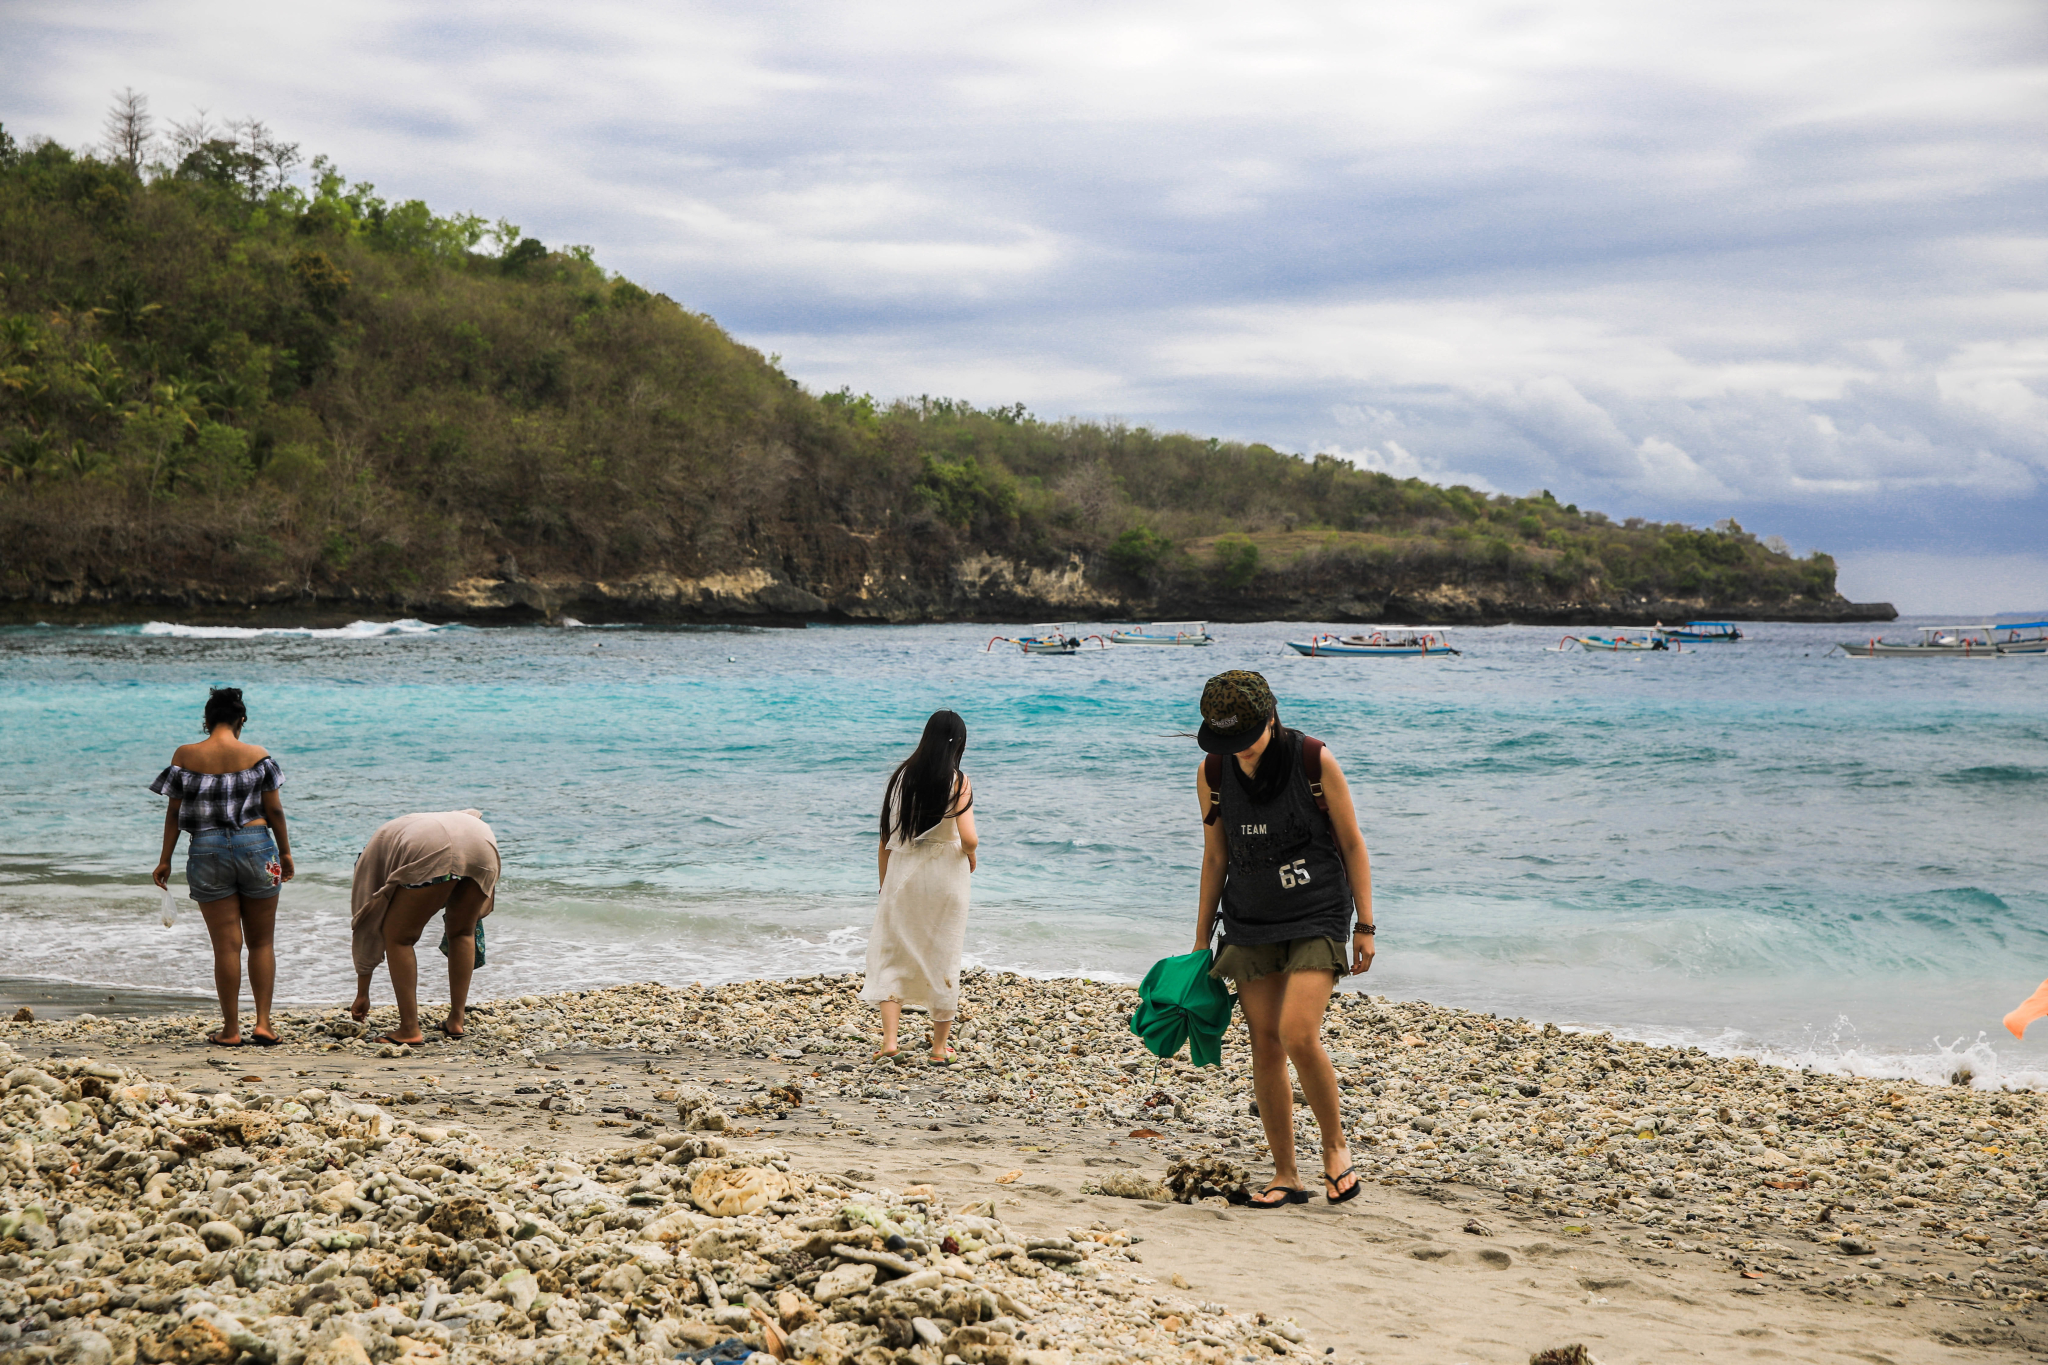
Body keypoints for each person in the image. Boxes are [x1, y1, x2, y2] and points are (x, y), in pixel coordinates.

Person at [1191, 670, 1375, 1207]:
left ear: (1271, 719)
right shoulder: (1213, 772)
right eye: (1227, 743)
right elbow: (1216, 856)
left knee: (1297, 1032)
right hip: (1249, 918)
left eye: (1245, 739)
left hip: (1318, 911)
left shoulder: (1314, 760)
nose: (1238, 752)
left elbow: (1353, 844)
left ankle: (1335, 1147)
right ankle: (1286, 1174)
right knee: (1264, 1042)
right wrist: (1200, 940)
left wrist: (1365, 924)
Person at [150, 687, 294, 1047]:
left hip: (206, 849)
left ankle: (230, 1030)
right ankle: (263, 1024)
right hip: (258, 846)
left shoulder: (185, 755)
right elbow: (274, 810)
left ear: (207, 719)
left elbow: (174, 813)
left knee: (226, 947)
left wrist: (165, 858)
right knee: (262, 942)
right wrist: (286, 852)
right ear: (240, 719)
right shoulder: (258, 755)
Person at [862, 710, 978, 1062]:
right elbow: (969, 839)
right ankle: (940, 1048)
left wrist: (885, 884)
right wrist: (972, 856)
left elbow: (886, 838)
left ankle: (890, 1043)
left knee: (892, 956)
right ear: (958, 743)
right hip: (946, 877)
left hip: (903, 874)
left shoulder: (900, 777)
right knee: (943, 954)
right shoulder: (959, 781)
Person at [348, 809, 500, 1045]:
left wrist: (362, 993)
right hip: (482, 841)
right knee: (462, 931)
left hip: (431, 847)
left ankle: (409, 1028)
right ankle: (456, 1021)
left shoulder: (370, 858)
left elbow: (365, 921)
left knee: (399, 937)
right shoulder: (443, 818)